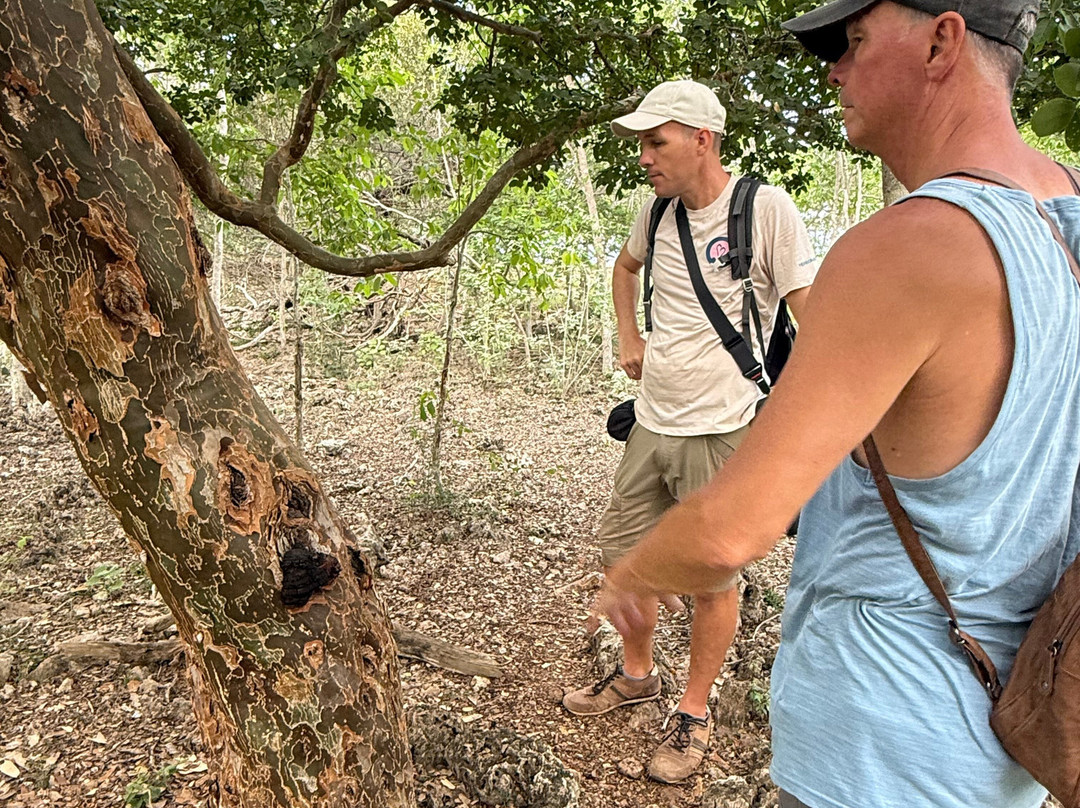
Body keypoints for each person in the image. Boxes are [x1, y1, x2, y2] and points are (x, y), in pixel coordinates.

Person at [592, 1, 1080, 806]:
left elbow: (728, 534)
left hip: (880, 739)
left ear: (941, 40)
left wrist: (633, 575)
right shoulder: (1064, 216)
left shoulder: (908, 245)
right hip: (1015, 736)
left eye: (853, 42)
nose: (835, 69)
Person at [561, 78, 818, 784]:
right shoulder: (659, 212)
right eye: (641, 144)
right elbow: (623, 266)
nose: (643, 157)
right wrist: (627, 332)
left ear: (701, 139)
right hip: (652, 424)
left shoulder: (763, 210)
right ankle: (637, 674)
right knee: (623, 561)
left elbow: (812, 313)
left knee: (713, 579)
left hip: (724, 429)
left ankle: (695, 711)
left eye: (655, 142)